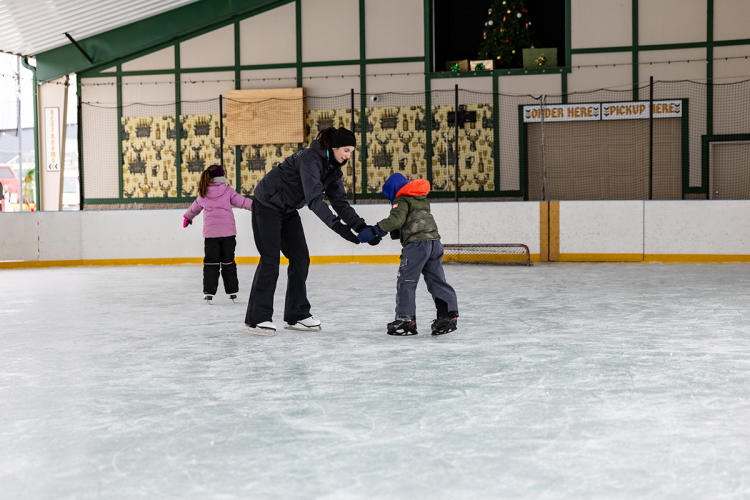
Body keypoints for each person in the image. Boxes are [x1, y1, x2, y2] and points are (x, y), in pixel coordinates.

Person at [245, 126, 378, 336]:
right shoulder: (310, 159)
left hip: (288, 210)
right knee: (270, 260)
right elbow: (315, 200)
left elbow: (340, 203)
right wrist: (342, 231)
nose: (348, 155)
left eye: (351, 151)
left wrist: (361, 227)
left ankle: (296, 315)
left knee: (301, 258)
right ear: (333, 147)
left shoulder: (333, 169)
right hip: (267, 205)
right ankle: (257, 318)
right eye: (345, 150)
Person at [357, 172, 459, 336]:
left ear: (393, 190)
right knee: (437, 280)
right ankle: (447, 315)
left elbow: (396, 220)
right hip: (434, 243)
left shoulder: (401, 199)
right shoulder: (420, 199)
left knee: (407, 281)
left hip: (416, 246)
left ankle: (406, 320)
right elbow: (411, 221)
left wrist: (375, 231)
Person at [183, 164, 253, 304]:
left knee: (211, 263)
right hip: (228, 234)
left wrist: (187, 217)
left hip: (211, 236)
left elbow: (194, 209)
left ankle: (209, 292)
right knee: (228, 262)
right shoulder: (227, 191)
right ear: (221, 177)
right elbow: (243, 202)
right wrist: (258, 206)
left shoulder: (203, 193)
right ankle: (232, 291)